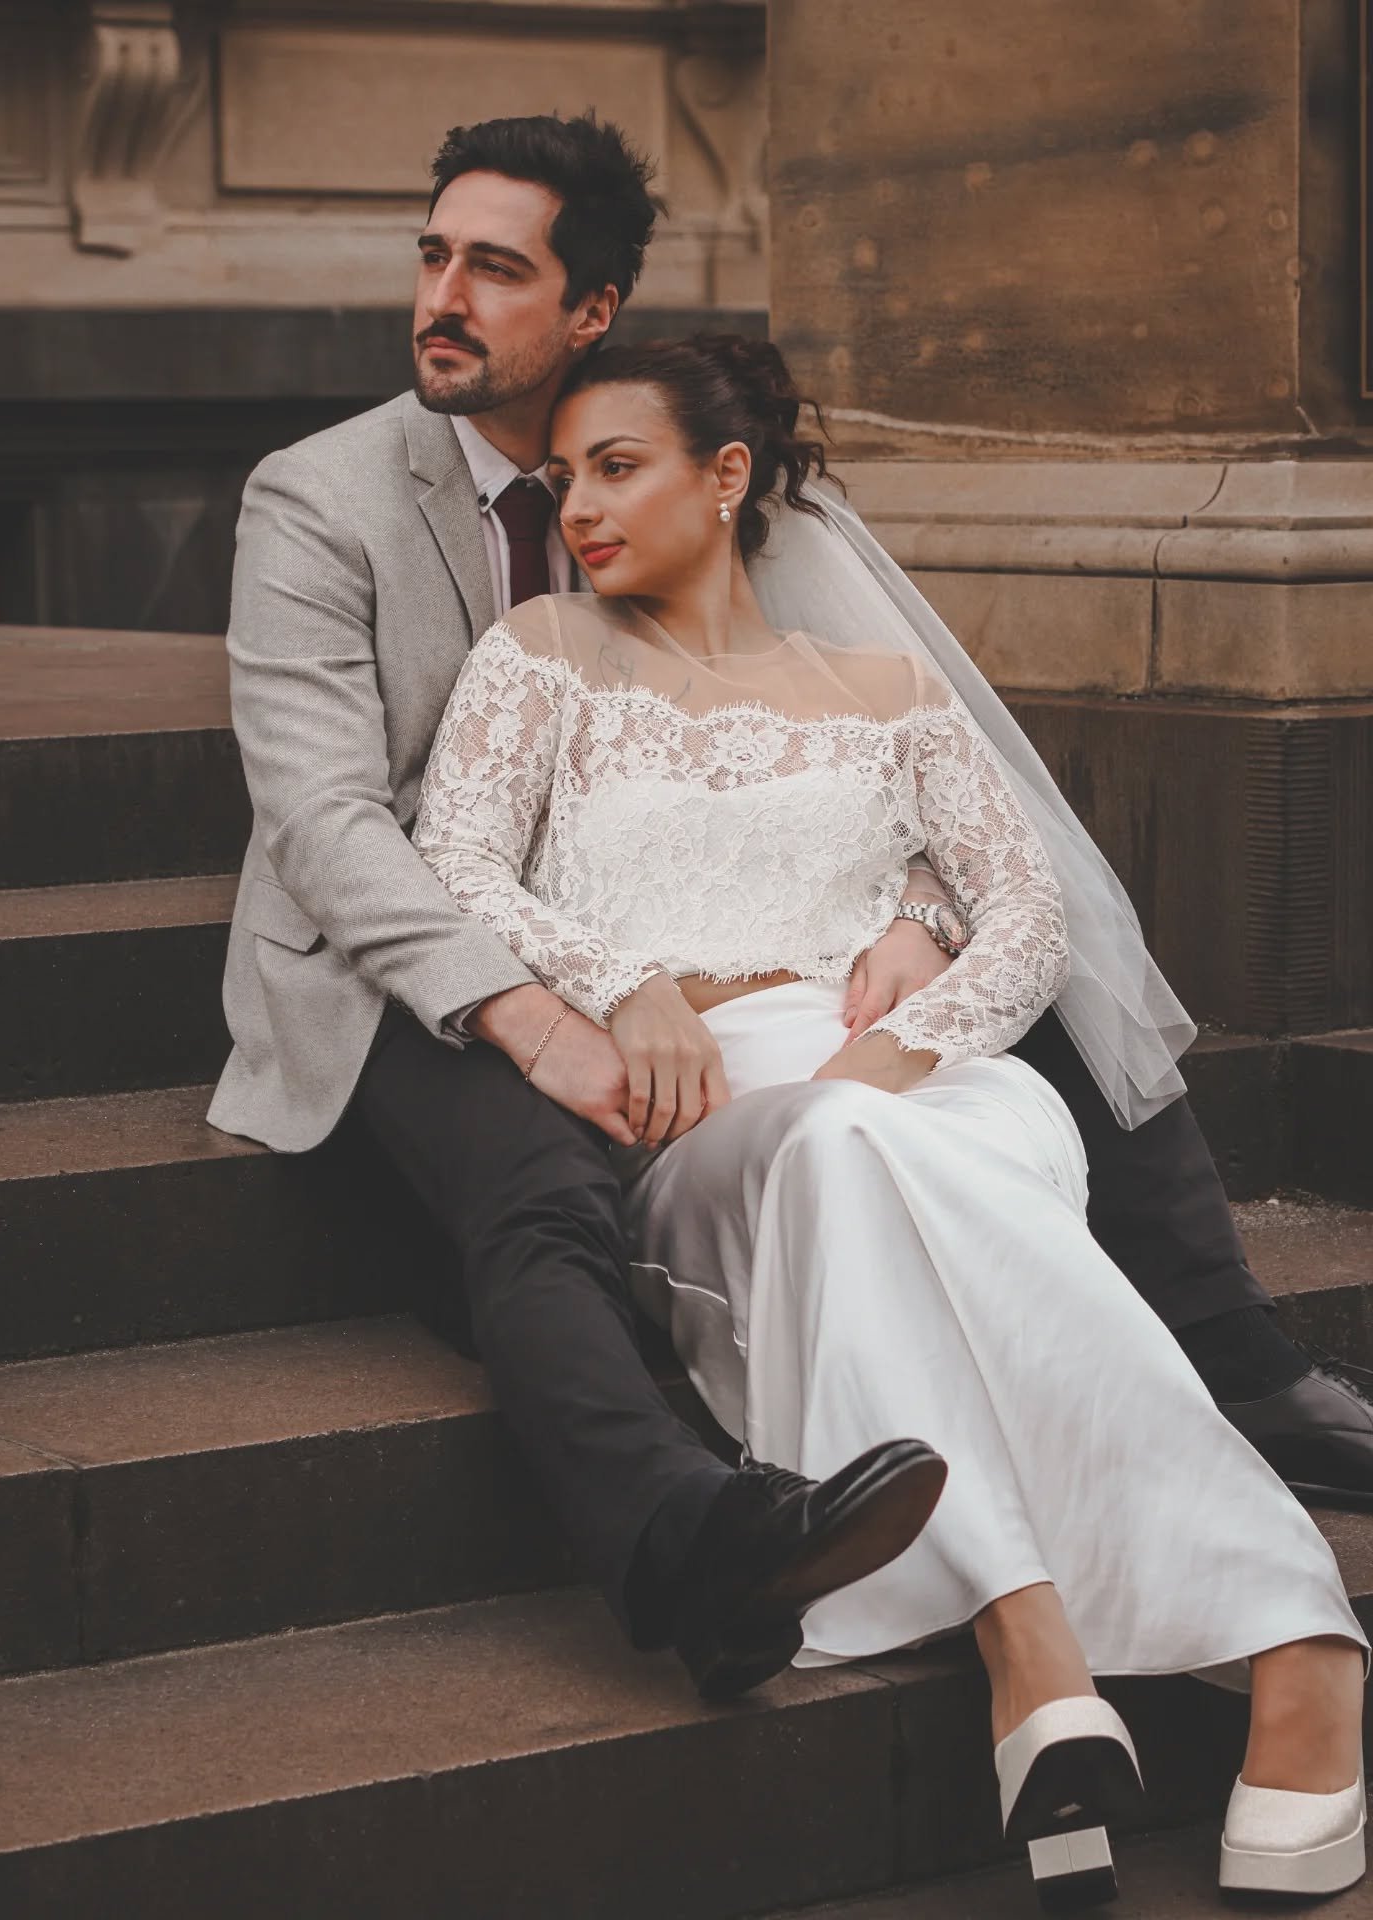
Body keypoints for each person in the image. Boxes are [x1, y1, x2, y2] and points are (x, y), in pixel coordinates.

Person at [206, 107, 1367, 1685]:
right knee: (548, 1194)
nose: (442, 298)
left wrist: (918, 913)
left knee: (1023, 993)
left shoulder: (715, 469)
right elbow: (330, 824)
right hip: (406, 956)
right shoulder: (319, 497)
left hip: (729, 968)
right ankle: (700, 1542)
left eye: (493, 268)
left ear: (591, 308)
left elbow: (830, 754)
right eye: (433, 257)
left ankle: (1235, 1367)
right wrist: (537, 1007)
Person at [410, 333, 1368, 1907]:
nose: (576, 502)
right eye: (565, 472)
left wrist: (907, 1041)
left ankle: (1030, 1647)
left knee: (864, 1150)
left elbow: (1029, 915)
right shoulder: (537, 657)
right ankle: (1296, 1633)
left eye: (617, 465)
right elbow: (459, 871)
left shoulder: (890, 689)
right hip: (703, 1108)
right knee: (832, 1160)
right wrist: (630, 981)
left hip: (927, 1086)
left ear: (727, 479)